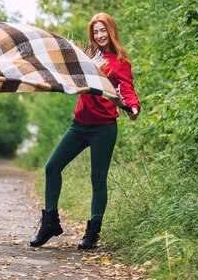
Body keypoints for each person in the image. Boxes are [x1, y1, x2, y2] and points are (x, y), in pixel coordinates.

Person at [29, 13, 141, 250]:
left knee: (97, 180)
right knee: (52, 167)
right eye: (95, 32)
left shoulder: (120, 61)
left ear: (111, 32)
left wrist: (133, 107)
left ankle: (92, 232)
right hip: (79, 124)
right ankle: (50, 222)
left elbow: (127, 90)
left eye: (103, 31)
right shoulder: (87, 57)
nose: (99, 36)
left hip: (104, 128)